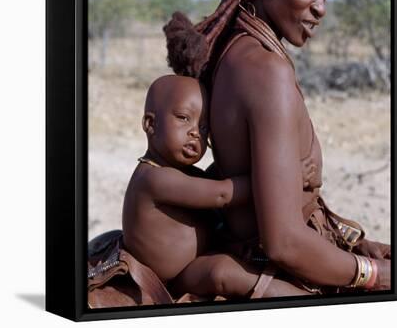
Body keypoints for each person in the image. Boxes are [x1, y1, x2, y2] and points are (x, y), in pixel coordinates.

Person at [163, 0, 391, 295]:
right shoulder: (266, 71)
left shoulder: (237, 48)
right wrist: (372, 275)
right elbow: (284, 240)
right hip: (268, 265)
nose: (320, 7)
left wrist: (357, 246)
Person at [122, 74, 314, 299]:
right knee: (221, 271)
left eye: (204, 128)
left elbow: (215, 183)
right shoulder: (153, 178)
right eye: (184, 118)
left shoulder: (181, 173)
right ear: (150, 124)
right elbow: (222, 194)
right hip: (173, 278)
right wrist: (283, 177)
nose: (195, 132)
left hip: (194, 262)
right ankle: (305, 301)